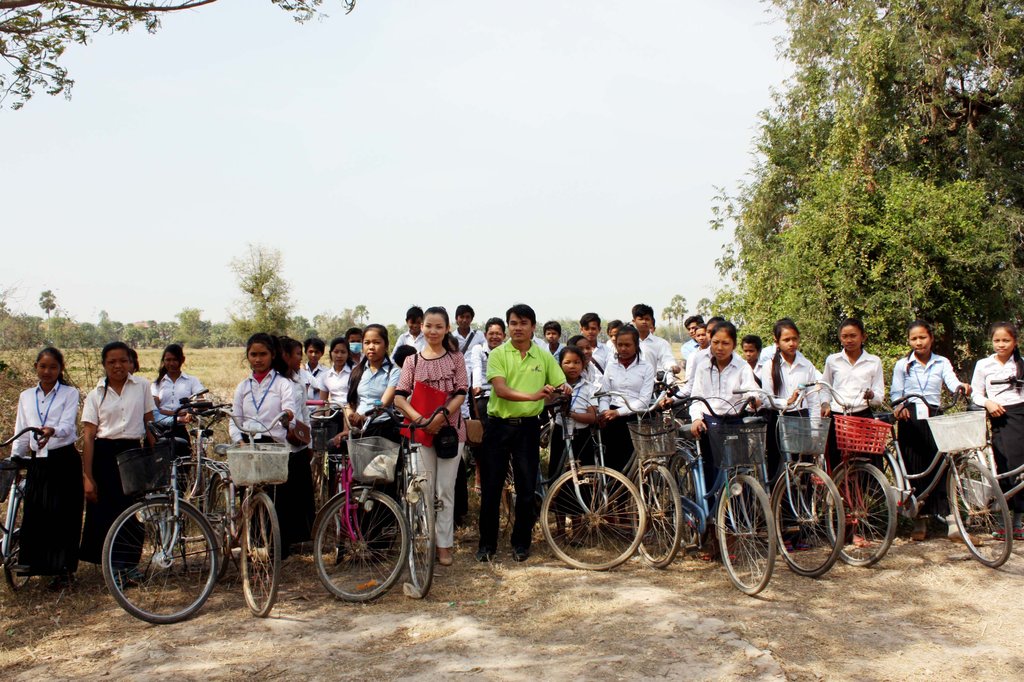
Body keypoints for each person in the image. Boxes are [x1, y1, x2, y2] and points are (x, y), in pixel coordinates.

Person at [477, 303, 568, 563]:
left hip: (528, 428)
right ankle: (487, 545)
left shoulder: (543, 356)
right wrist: (534, 395)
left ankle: (521, 543)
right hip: (498, 427)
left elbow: (560, 380)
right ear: (508, 327)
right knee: (492, 489)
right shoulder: (498, 354)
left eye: (523, 323)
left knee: (527, 489)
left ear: (533, 327)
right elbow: (501, 389)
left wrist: (564, 388)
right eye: (513, 323)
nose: (518, 328)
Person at [394, 307, 468, 567]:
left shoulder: (456, 358)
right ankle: (423, 539)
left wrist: (440, 417)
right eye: (428, 326)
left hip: (451, 432)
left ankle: (444, 544)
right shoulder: (411, 361)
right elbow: (399, 396)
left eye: (439, 326)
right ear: (421, 328)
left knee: (445, 490)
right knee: (423, 489)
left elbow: (461, 392)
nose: (433, 331)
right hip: (420, 433)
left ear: (447, 328)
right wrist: (420, 420)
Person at [79, 342, 156, 574]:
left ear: (131, 362)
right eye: (111, 362)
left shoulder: (141, 386)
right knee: (105, 509)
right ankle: (110, 566)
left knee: (132, 509)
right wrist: (88, 476)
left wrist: (157, 460)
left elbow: (149, 423)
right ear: (104, 365)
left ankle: (129, 565)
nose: (118, 366)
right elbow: (89, 437)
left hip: (133, 452)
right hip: (104, 454)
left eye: (123, 360)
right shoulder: (96, 395)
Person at [892, 320, 970, 541]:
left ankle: (951, 521)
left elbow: (952, 381)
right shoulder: (902, 365)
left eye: (922, 337)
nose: (919, 342)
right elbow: (896, 393)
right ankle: (919, 521)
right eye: (914, 338)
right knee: (914, 468)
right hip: (911, 418)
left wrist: (961, 387)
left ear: (931, 338)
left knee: (942, 468)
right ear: (909, 341)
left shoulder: (941, 362)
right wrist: (899, 407)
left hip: (935, 416)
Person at [11, 347, 82, 589]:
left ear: (60, 369)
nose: (47, 371)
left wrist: (53, 431)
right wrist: (15, 458)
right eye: (43, 366)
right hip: (37, 462)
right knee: (37, 513)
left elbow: (68, 426)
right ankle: (38, 566)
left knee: (65, 515)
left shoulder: (70, 393)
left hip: (63, 459)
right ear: (36, 367)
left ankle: (64, 571)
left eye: (53, 367)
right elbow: (21, 431)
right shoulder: (26, 396)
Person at [687, 322, 760, 489]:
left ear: (734, 344)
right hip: (709, 423)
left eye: (725, 343)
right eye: (715, 342)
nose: (719, 347)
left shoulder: (742, 367)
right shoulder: (703, 367)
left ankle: (738, 512)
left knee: (740, 471)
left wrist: (754, 400)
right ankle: (711, 511)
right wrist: (697, 419)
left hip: (734, 422)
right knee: (712, 471)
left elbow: (751, 390)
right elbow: (697, 397)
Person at [971, 321, 1024, 539]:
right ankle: (1003, 522)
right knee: (1002, 466)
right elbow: (975, 393)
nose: (1001, 345)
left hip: (1020, 417)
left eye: (1006, 340)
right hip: (999, 419)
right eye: (997, 340)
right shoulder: (984, 365)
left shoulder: (1021, 364)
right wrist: (988, 403)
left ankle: (1019, 523)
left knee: (1020, 469)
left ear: (1015, 342)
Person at [759, 319, 821, 477]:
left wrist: (814, 430)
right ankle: (781, 501)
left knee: (804, 467)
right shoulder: (769, 367)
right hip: (779, 419)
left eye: (794, 339)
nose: (791, 343)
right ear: (777, 342)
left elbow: (813, 400)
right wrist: (786, 402)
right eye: (786, 340)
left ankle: (803, 501)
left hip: (801, 419)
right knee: (779, 468)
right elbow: (767, 399)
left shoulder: (806, 365)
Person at [820, 318, 885, 470]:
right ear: (840, 338)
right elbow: (825, 386)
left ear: (863, 337)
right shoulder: (832, 360)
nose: (849, 340)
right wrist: (825, 403)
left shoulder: (873, 361)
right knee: (838, 465)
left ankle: (867, 494)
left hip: (862, 417)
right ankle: (838, 494)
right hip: (837, 418)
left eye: (853, 336)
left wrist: (871, 396)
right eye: (844, 336)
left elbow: (879, 396)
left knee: (868, 464)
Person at [598, 325, 655, 473]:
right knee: (613, 461)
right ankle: (615, 494)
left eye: (627, 345)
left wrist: (618, 413)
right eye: (620, 345)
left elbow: (643, 401)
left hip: (636, 419)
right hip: (612, 418)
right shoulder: (611, 366)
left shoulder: (646, 368)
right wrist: (605, 411)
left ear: (636, 345)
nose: (623, 349)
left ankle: (638, 494)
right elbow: (605, 394)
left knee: (637, 464)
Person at [277, 337, 316, 556]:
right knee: (281, 496)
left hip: (298, 445)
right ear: (284, 356)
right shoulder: (277, 382)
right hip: (279, 445)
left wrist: (307, 440)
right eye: (297, 354)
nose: (300, 358)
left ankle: (297, 538)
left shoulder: (298, 380)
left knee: (298, 494)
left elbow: (304, 412)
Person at [345, 324, 401, 443]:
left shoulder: (394, 372)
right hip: (359, 430)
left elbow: (383, 404)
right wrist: (351, 416)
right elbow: (350, 403)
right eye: (367, 342)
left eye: (376, 342)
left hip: (383, 429)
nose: (371, 347)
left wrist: (363, 417)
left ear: (386, 345)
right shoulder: (357, 372)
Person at [548, 346, 598, 478]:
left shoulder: (589, 388)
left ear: (583, 365)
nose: (572, 366)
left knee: (584, 472)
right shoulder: (557, 387)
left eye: (577, 362)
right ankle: (555, 498)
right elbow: (549, 406)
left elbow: (592, 417)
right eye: (567, 362)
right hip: (561, 432)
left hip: (582, 435)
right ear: (560, 365)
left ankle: (583, 499)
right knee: (558, 470)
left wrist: (570, 413)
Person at [151, 344, 206, 441]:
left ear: (182, 360)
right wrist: (177, 413)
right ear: (163, 360)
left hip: (179, 429)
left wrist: (191, 411)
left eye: (175, 360)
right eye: (168, 360)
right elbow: (156, 410)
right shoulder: (157, 383)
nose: (171, 363)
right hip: (159, 429)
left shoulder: (192, 381)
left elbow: (201, 401)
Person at [631, 304, 679, 376]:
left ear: (651, 321)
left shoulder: (660, 343)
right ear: (634, 321)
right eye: (640, 319)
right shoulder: (628, 342)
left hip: (651, 383)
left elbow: (667, 359)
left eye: (647, 319)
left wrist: (672, 366)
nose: (644, 322)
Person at [303, 337, 327, 401]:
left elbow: (320, 386)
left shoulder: (326, 372)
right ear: (306, 352)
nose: (313, 355)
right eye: (310, 352)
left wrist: (305, 372)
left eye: (317, 352)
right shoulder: (299, 370)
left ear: (322, 353)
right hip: (303, 408)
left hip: (320, 408)